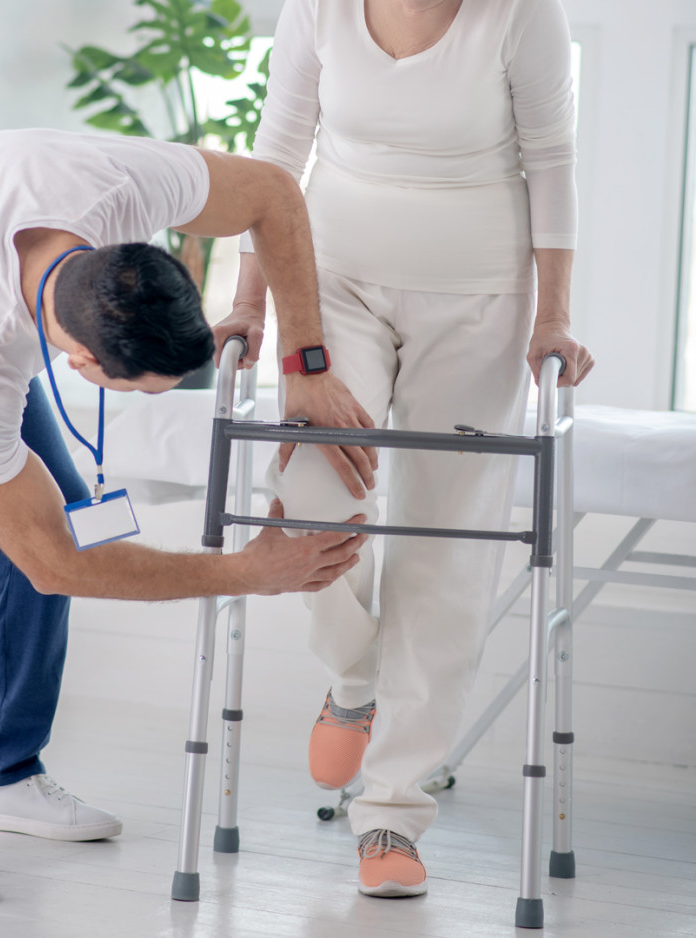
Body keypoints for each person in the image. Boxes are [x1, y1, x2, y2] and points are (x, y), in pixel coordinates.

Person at [0, 129, 372, 903]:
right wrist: (248, 572)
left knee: (68, 504)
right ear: (83, 365)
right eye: (146, 388)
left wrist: (305, 364)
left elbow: (275, 193)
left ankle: (0, 774)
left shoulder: (120, 184)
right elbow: (50, 561)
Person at [215, 0, 595, 899]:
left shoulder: (521, 14)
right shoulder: (317, 8)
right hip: (331, 282)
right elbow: (276, 155)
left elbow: (552, 160)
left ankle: (391, 809)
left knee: (442, 547)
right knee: (312, 491)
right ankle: (356, 677)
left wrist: (553, 319)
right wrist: (250, 305)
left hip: (478, 300)